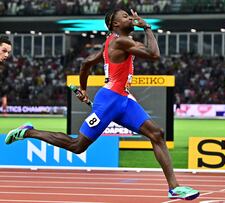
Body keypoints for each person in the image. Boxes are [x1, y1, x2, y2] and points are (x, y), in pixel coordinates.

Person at [5, 7, 200, 200]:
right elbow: (154, 54)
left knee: (157, 134)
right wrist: (146, 27)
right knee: (77, 146)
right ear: (115, 24)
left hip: (122, 99)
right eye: (125, 16)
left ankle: (174, 188)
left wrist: (83, 88)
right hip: (110, 101)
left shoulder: (111, 43)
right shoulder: (121, 41)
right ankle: (29, 132)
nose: (131, 18)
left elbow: (86, 63)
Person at [0, 36, 12, 113]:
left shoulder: (4, 68)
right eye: (4, 51)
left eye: (8, 52)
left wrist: (4, 98)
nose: (6, 55)